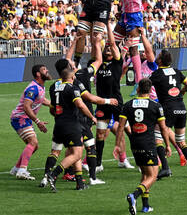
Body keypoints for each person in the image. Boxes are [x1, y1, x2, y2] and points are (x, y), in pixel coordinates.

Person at [40, 34, 117, 187]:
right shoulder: (80, 77)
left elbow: (53, 108)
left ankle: (65, 179)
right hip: (79, 120)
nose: (73, 64)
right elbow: (89, 97)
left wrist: (75, 42)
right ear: (70, 69)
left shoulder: (54, 85)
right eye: (71, 64)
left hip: (59, 122)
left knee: (59, 150)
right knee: (85, 148)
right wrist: (96, 42)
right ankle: (90, 178)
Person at [113, 78, 171, 215]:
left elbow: (121, 126)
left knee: (145, 174)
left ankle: (146, 205)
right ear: (151, 91)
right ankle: (134, 195)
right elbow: (163, 128)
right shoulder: (156, 106)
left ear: (138, 89)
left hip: (135, 144)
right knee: (153, 175)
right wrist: (167, 145)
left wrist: (117, 145)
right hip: (149, 144)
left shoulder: (128, 105)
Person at [47, 68, 97, 192]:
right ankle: (53, 174)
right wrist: (91, 116)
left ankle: (79, 183)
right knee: (77, 154)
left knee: (74, 151)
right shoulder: (73, 88)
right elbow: (80, 104)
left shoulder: (55, 89)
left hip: (58, 125)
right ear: (72, 78)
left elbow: (52, 109)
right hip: (71, 125)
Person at [150, 50, 187, 178]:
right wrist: (181, 93)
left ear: (160, 60)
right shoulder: (176, 71)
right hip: (181, 108)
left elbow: (144, 87)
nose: (156, 57)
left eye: (158, 56)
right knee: (182, 142)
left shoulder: (156, 74)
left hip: (167, 109)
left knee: (157, 138)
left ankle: (165, 168)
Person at [95, 21, 134, 172]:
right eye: (107, 49)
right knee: (100, 133)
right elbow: (97, 47)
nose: (109, 50)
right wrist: (97, 41)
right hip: (102, 103)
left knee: (129, 131)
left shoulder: (117, 62)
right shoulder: (98, 63)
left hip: (117, 103)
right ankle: (97, 163)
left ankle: (139, 157)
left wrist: (107, 27)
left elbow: (112, 42)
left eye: (111, 49)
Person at [10, 64, 51, 180]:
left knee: (34, 145)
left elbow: (42, 99)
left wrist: (55, 105)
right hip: (20, 118)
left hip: (24, 118)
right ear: (38, 74)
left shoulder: (40, 87)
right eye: (44, 69)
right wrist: (38, 122)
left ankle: (17, 168)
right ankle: (22, 170)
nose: (47, 70)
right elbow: (26, 107)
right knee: (33, 142)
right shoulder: (33, 88)